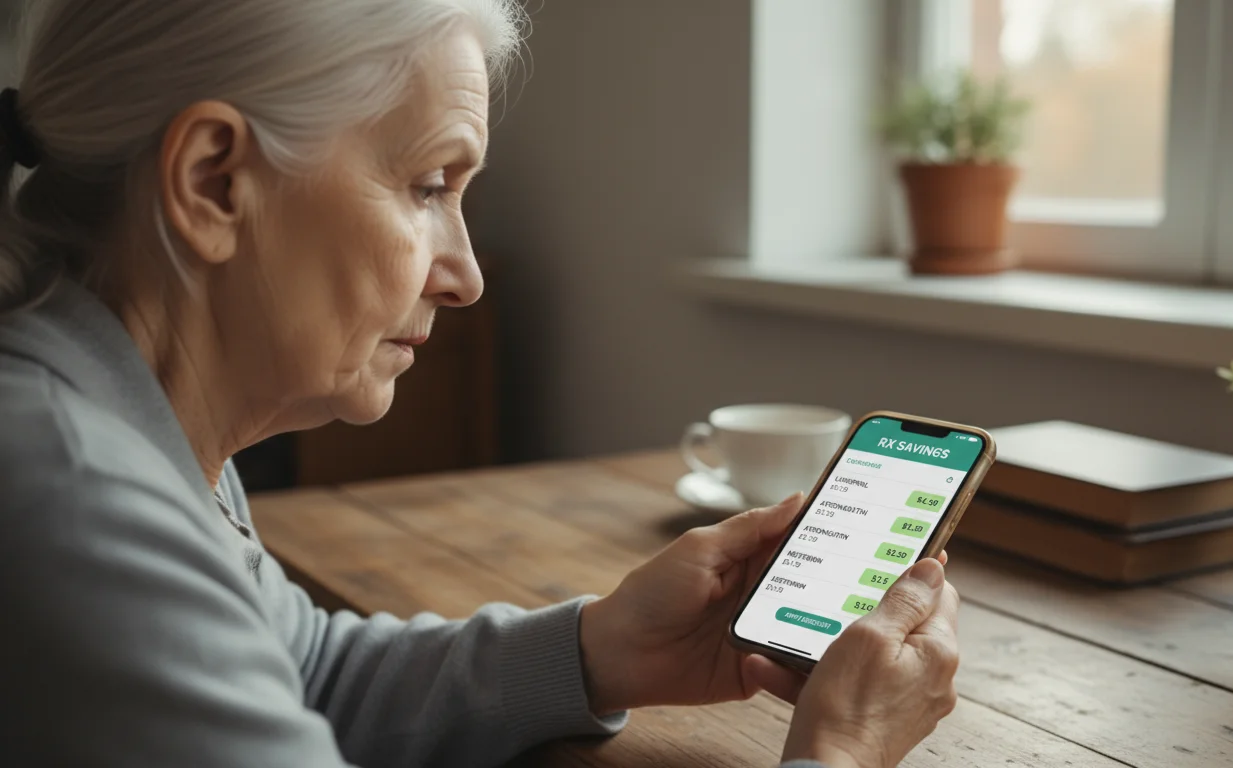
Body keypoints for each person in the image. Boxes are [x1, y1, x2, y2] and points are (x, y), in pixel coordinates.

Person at [0, 1, 961, 766]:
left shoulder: (126, 419)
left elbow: (297, 672)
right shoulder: (74, 502)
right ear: (214, 182)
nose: (465, 274)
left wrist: (600, 649)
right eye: (428, 186)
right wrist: (840, 752)